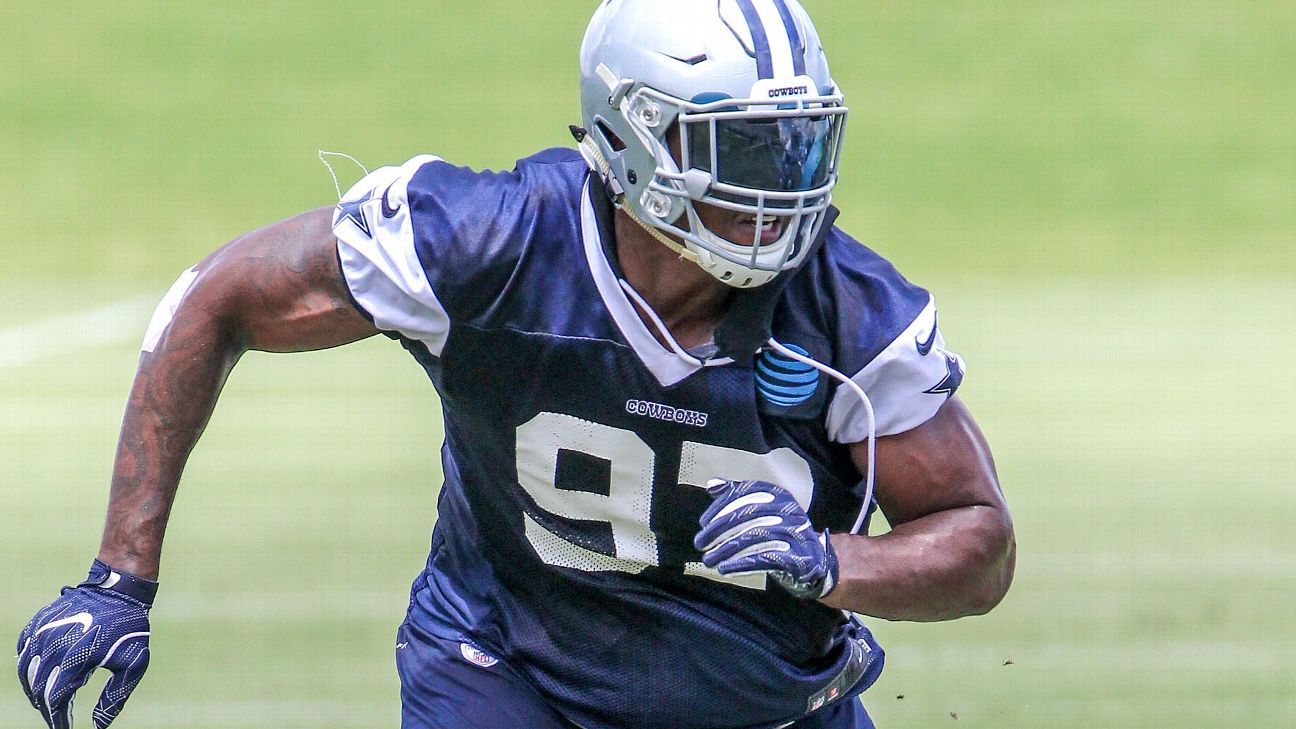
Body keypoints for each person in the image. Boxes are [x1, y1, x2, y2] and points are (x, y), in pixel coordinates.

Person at [17, 1, 1015, 727]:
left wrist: (835, 562)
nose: (781, 192)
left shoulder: (848, 307)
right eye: (743, 153)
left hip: (765, 704)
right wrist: (119, 578)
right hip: (506, 676)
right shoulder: (493, 243)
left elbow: (978, 542)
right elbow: (220, 295)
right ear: (634, 141)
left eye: (797, 149)